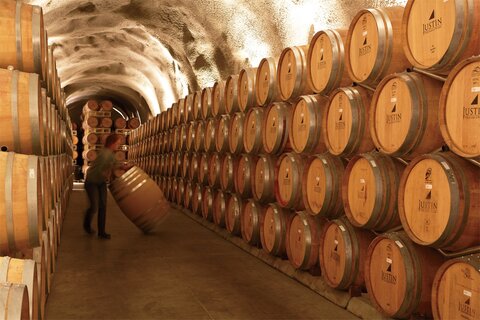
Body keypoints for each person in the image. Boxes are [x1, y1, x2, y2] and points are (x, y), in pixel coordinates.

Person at [83, 133, 126, 239]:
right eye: (117, 142)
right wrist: (108, 174)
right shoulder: (105, 154)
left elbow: (116, 165)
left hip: (100, 182)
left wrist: (125, 167)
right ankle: (86, 225)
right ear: (112, 143)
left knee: (103, 206)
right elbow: (101, 170)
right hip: (92, 182)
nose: (118, 145)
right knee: (94, 206)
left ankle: (101, 232)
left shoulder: (110, 154)